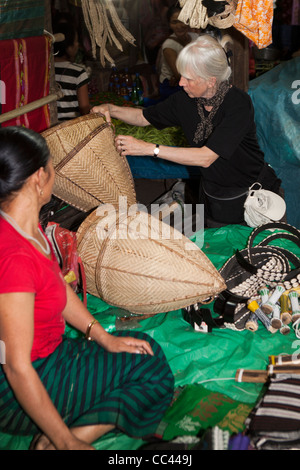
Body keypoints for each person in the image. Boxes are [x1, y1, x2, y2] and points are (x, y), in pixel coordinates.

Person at [0, 126, 174, 450]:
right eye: (52, 167)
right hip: (21, 384)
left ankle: (57, 435)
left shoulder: (26, 227)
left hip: (51, 353)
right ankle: (63, 441)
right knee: (153, 371)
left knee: (140, 346)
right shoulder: (13, 258)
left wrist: (103, 336)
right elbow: (15, 365)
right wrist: (66, 440)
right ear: (39, 177)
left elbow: (57, 286)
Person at [91, 34, 282, 227]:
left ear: (211, 81)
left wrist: (149, 148)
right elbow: (143, 117)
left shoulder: (237, 103)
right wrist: (111, 109)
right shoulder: (184, 100)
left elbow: (206, 157)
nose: (181, 82)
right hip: (214, 195)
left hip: (254, 195)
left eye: (188, 78)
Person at [157, 6, 199, 100]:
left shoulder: (195, 38)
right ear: (169, 24)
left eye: (182, 21)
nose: (179, 26)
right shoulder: (169, 45)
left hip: (188, 82)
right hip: (171, 87)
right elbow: (179, 75)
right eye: (174, 22)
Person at [53, 22, 90, 121]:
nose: (77, 44)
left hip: (48, 128)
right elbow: (84, 108)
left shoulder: (44, 69)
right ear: (68, 47)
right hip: (71, 129)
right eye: (76, 41)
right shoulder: (78, 72)